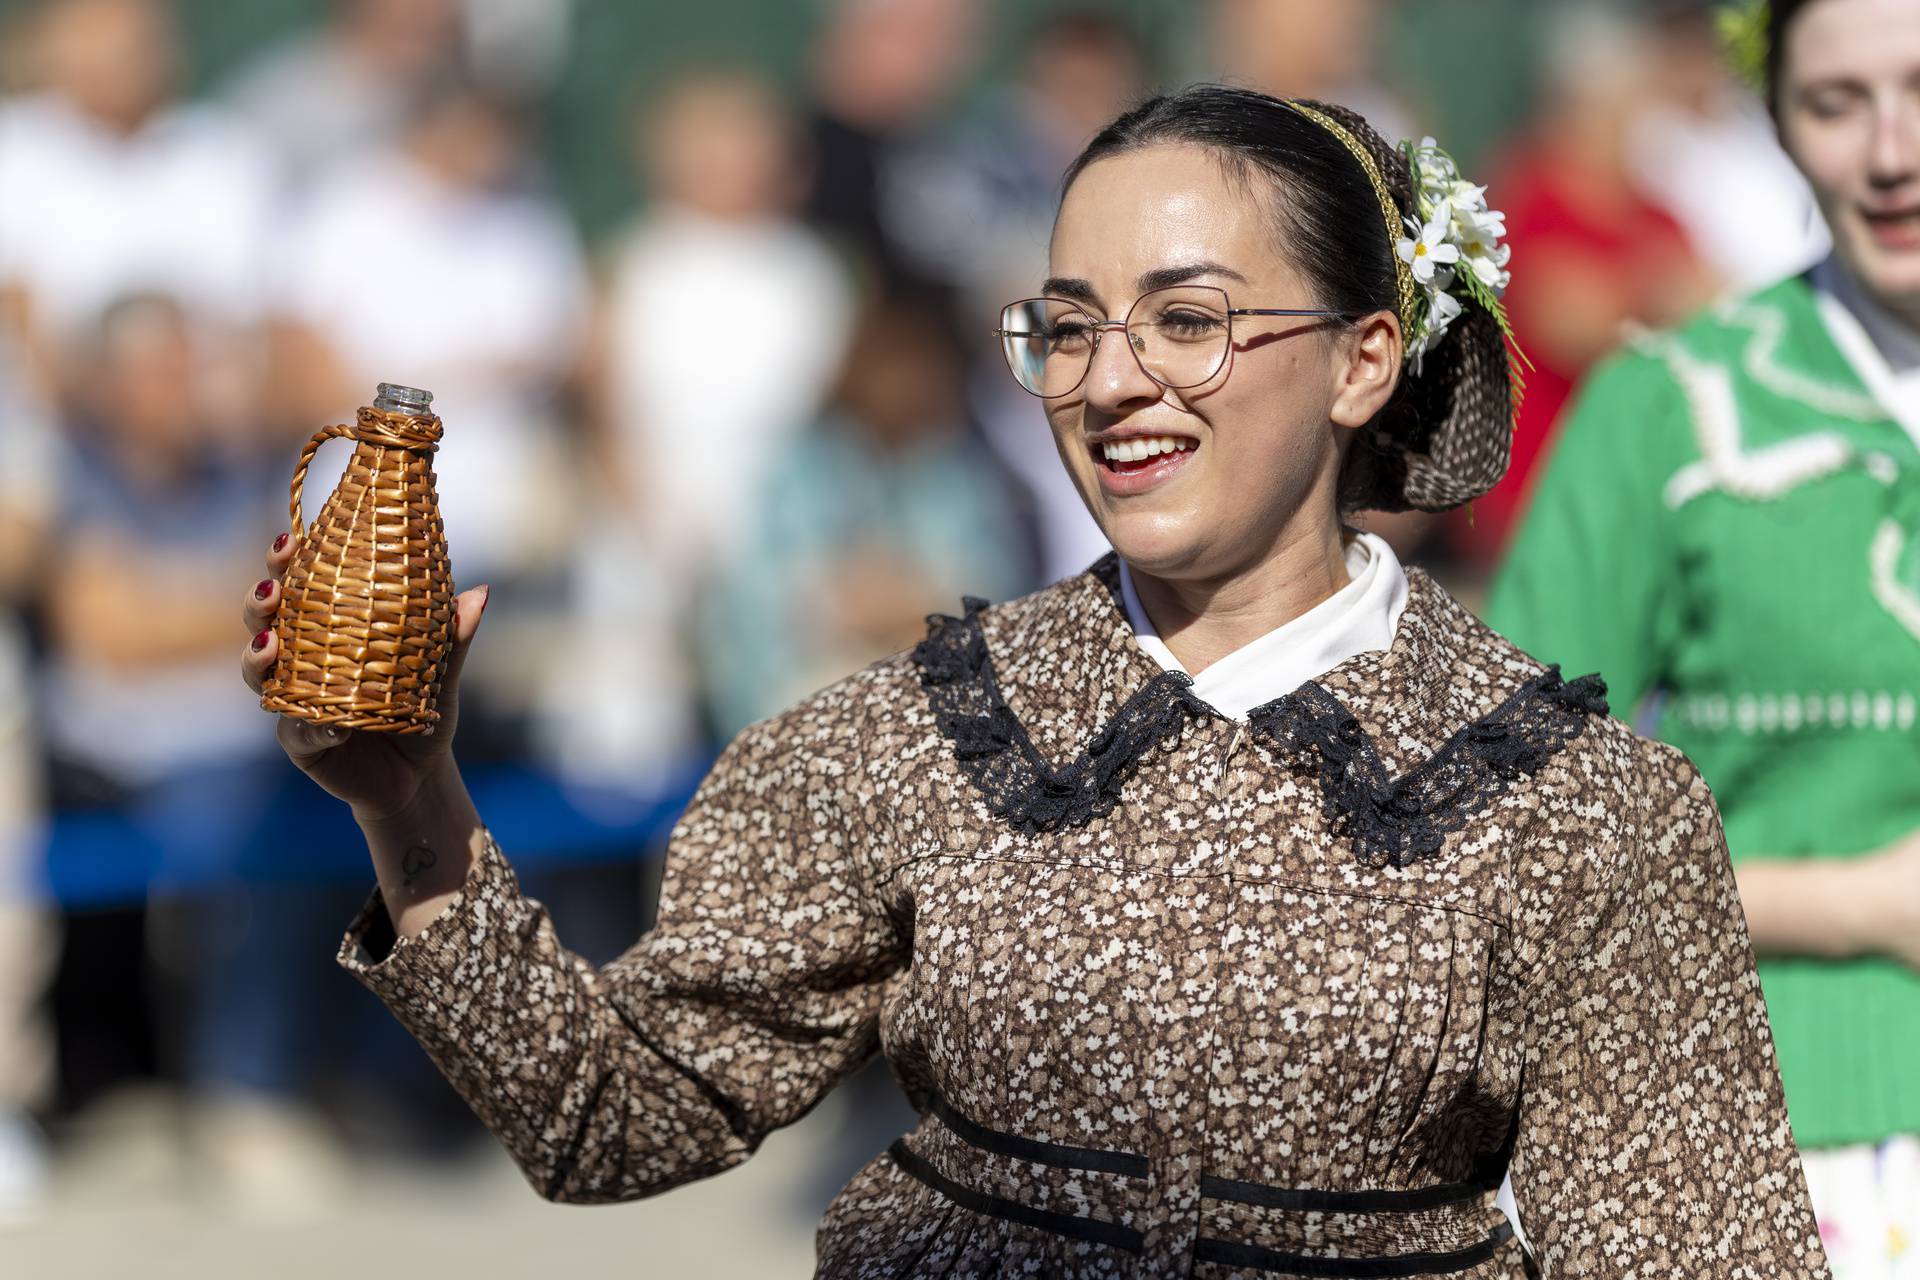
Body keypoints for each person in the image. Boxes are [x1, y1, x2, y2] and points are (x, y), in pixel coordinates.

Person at [241, 84, 1830, 1276]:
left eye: (1189, 321)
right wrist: (412, 802)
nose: (1112, 381)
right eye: (1067, 329)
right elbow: (612, 1118)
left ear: (1364, 359)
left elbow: (1697, 1257)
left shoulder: (1579, 805)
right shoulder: (907, 736)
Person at [1486, 1, 1920, 1274]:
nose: (1891, 150)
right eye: (1835, 103)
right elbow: (1509, 835)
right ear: (1774, 122)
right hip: (1797, 1147)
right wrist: (1853, 903)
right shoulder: (1668, 413)